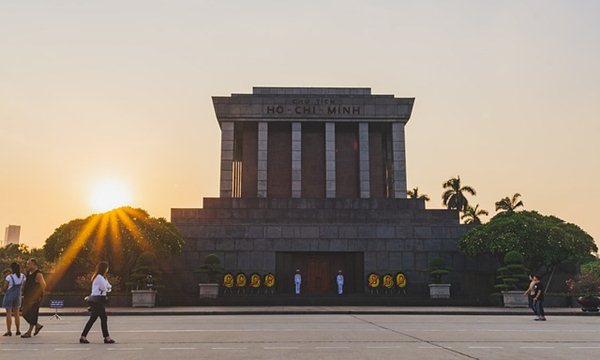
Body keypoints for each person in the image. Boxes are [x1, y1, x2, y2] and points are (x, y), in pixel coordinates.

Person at [80, 262, 115, 344]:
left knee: (92, 319)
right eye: (107, 267)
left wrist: (107, 287)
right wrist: (107, 287)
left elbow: (109, 287)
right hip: (97, 300)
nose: (107, 269)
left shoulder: (103, 277)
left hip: (99, 300)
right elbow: (105, 287)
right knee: (104, 318)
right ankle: (107, 338)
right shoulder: (99, 277)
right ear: (104, 268)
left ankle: (83, 336)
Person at [21, 258, 45, 338]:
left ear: (34, 264)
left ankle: (29, 332)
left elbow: (43, 285)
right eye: (27, 263)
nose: (27, 265)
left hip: (35, 297)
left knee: (32, 314)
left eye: (29, 264)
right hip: (27, 297)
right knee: (24, 313)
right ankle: (37, 325)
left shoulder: (38, 274)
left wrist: (39, 295)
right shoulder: (29, 273)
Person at [2, 262, 26, 336]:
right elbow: (23, 286)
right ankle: (18, 330)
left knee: (8, 313)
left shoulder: (9, 277)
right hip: (18, 296)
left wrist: (2, 290)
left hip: (9, 295)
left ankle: (9, 331)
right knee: (17, 314)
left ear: (12, 269)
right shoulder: (22, 276)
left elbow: (4, 288)